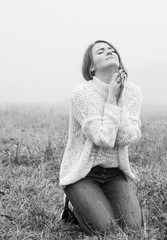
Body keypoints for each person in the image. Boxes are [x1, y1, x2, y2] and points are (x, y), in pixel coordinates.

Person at [59, 40, 142, 235]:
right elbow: (103, 139)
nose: (109, 52)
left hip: (114, 174)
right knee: (106, 231)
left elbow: (128, 136)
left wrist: (120, 99)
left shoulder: (132, 92)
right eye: (101, 51)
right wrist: (112, 100)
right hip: (83, 175)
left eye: (112, 50)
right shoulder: (82, 93)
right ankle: (73, 206)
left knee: (133, 229)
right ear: (91, 67)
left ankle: (96, 203)